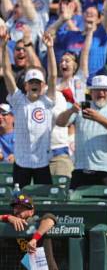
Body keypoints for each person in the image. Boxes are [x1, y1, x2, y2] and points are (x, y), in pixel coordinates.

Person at [1, 29, 57, 186]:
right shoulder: (18, 100)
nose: (34, 85)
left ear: (43, 85)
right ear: (25, 85)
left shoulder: (47, 101)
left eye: (37, 82)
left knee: (45, 201)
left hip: (42, 162)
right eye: (31, 82)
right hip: (21, 162)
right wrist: (4, 47)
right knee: (18, 202)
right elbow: (6, 72)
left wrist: (51, 48)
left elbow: (53, 75)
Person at [56, 75, 107, 191]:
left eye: (105, 90)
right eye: (98, 90)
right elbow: (59, 122)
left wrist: (99, 118)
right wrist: (71, 111)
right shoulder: (82, 106)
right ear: (91, 92)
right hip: (82, 169)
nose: (102, 93)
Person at [0, 194, 62, 270]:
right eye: (15, 207)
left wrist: (34, 239)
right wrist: (7, 217)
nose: (17, 210)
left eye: (22, 208)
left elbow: (50, 219)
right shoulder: (11, 224)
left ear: (31, 211)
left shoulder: (39, 221)